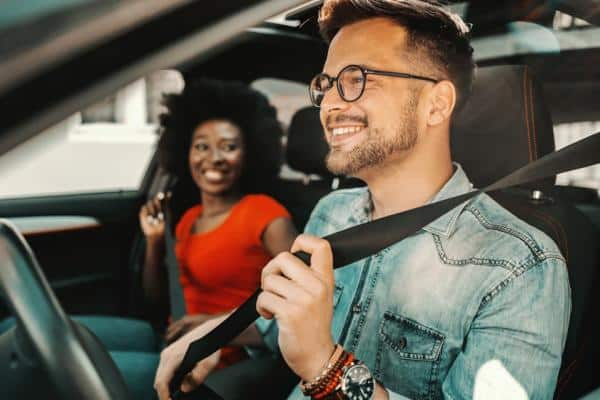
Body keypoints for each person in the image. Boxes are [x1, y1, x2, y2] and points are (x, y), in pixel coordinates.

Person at [153, 2, 570, 400]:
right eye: (327, 84)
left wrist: (325, 366)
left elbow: (312, 350)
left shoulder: (519, 267)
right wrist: (211, 335)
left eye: (358, 79)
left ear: (435, 104)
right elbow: (285, 324)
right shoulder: (331, 215)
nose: (331, 104)